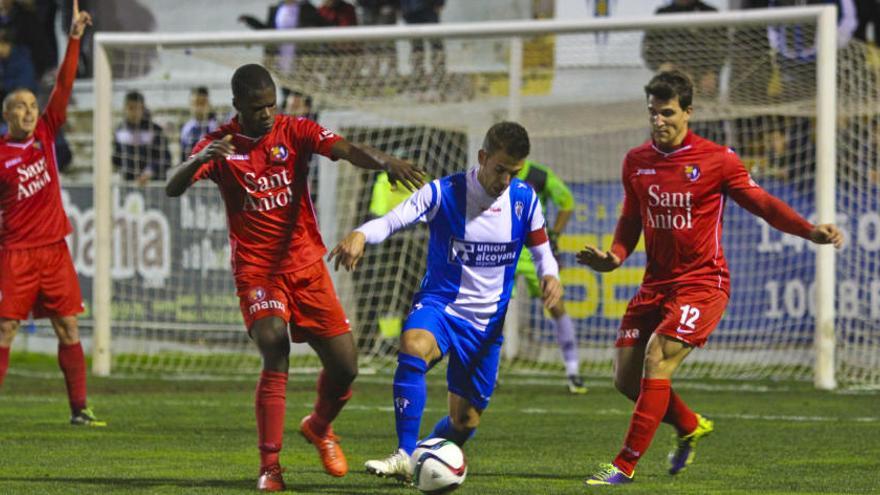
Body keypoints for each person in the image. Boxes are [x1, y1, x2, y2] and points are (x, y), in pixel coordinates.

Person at [164, 63, 424, 492]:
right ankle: (270, 466)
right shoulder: (220, 145)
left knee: (345, 368)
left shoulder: (295, 130)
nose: (266, 113)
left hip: (306, 266)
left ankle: (319, 427)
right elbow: (173, 188)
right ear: (237, 106)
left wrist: (384, 162)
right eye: (256, 107)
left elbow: (345, 149)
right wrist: (198, 158)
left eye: (270, 104)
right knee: (273, 344)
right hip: (257, 270)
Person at [576, 71, 844, 486]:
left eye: (667, 113)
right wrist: (614, 256)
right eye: (653, 113)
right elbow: (631, 219)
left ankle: (623, 466)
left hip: (703, 283)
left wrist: (808, 230)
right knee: (626, 379)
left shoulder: (717, 159)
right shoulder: (636, 161)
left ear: (688, 112)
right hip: (655, 284)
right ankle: (688, 425)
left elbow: (764, 204)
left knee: (657, 359)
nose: (659, 121)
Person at [329, 121, 562, 482]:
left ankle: (424, 455)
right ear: (482, 157)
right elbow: (393, 220)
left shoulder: (524, 199)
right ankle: (405, 453)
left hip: (486, 326)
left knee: (464, 422)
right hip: (442, 306)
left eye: (512, 172)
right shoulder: (444, 192)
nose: (504, 180)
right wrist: (361, 233)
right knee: (413, 344)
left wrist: (551, 275)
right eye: (499, 169)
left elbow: (542, 250)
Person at [0, 1, 102, 427]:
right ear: (6, 116)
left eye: (30, 104)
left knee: (69, 329)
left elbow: (62, 84)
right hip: (17, 254)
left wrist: (74, 38)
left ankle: (79, 409)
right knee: (5, 331)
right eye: (20, 106)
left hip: (54, 252)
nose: (28, 110)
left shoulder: (45, 131)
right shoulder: (1, 155)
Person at [513, 159, 585, 394]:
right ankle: (488, 375)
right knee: (494, 310)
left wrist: (553, 235)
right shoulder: (495, 172)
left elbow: (566, 202)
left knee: (556, 305)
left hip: (535, 251)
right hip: (504, 250)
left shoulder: (539, 176)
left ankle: (573, 371)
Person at [112, 90, 172, 186]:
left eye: (137, 108)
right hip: (127, 185)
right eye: (131, 108)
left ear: (143, 109)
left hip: (153, 184)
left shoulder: (155, 130)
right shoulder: (119, 132)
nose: (134, 112)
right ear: (125, 109)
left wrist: (149, 172)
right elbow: (116, 159)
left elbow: (165, 158)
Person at [179, 86, 219, 162]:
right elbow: (183, 154)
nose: (199, 108)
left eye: (202, 103)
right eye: (196, 103)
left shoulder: (215, 127)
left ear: (208, 104)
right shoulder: (186, 128)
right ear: (190, 104)